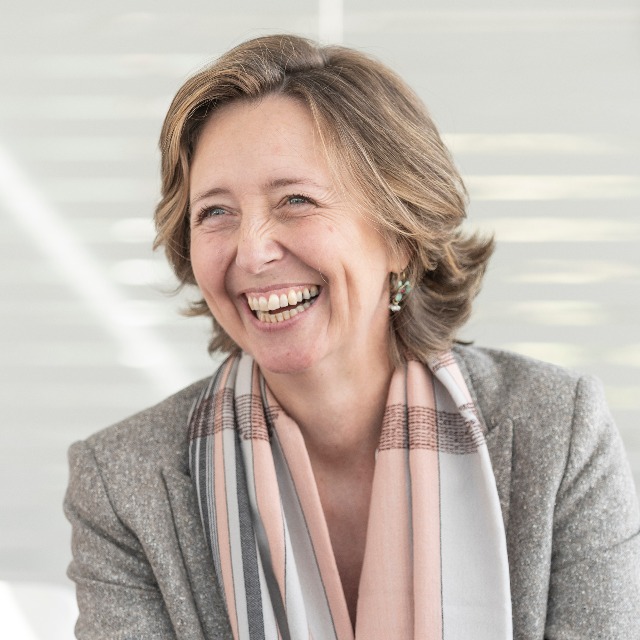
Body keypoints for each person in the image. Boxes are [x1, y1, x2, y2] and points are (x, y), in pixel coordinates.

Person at [64, 34, 640, 639]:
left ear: (401, 235)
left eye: (296, 200)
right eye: (215, 212)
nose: (252, 252)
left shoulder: (559, 434)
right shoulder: (123, 483)